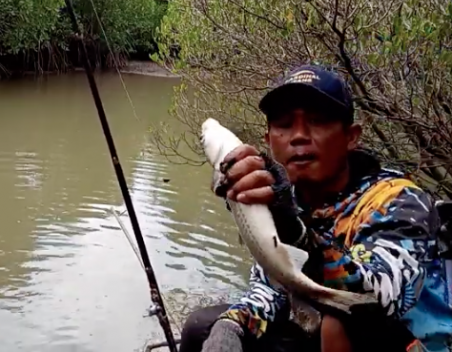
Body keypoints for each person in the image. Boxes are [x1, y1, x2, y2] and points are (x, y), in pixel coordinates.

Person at [179, 65, 452, 352]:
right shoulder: (287, 199)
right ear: (268, 141)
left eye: (318, 121)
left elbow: (373, 296)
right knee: (203, 327)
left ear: (352, 136)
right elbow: (273, 286)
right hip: (325, 335)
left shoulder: (401, 200)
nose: (298, 136)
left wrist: (291, 230)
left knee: (339, 321)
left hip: (408, 341)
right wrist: (232, 324)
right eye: (284, 124)